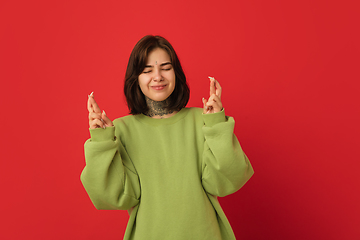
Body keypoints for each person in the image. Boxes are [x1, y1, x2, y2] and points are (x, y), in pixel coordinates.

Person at [81, 35, 254, 240]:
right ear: (135, 78)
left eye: (165, 67)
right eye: (147, 70)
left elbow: (226, 181)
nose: (158, 76)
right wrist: (102, 142)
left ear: (176, 73)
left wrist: (216, 125)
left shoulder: (202, 120)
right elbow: (114, 197)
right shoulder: (120, 130)